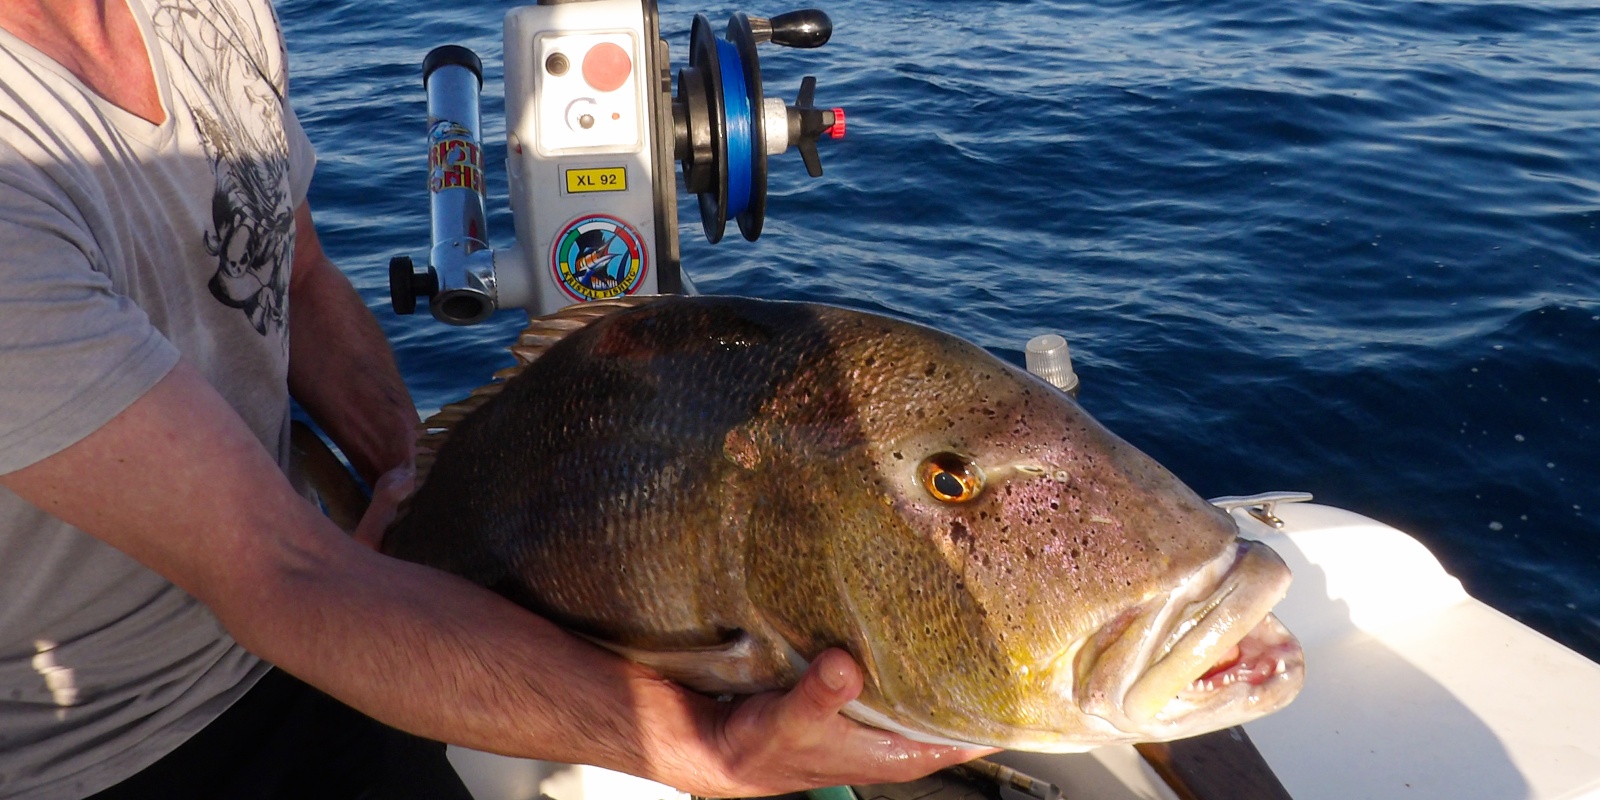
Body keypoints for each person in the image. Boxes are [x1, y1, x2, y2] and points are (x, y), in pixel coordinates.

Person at [0, 2, 991, 798]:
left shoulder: (203, 13)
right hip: (116, 737)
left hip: (323, 622)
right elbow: (278, 572)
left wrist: (408, 475)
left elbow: (292, 274)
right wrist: (713, 753)